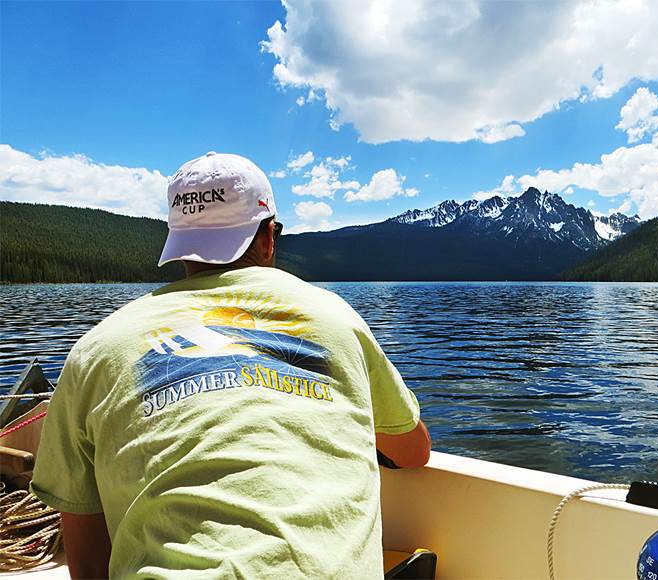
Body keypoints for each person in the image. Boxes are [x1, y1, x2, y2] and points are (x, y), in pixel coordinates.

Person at [30, 152, 431, 579]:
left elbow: (87, 557)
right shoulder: (336, 318)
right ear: (268, 237)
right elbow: (413, 451)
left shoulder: (97, 349)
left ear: (177, 242)